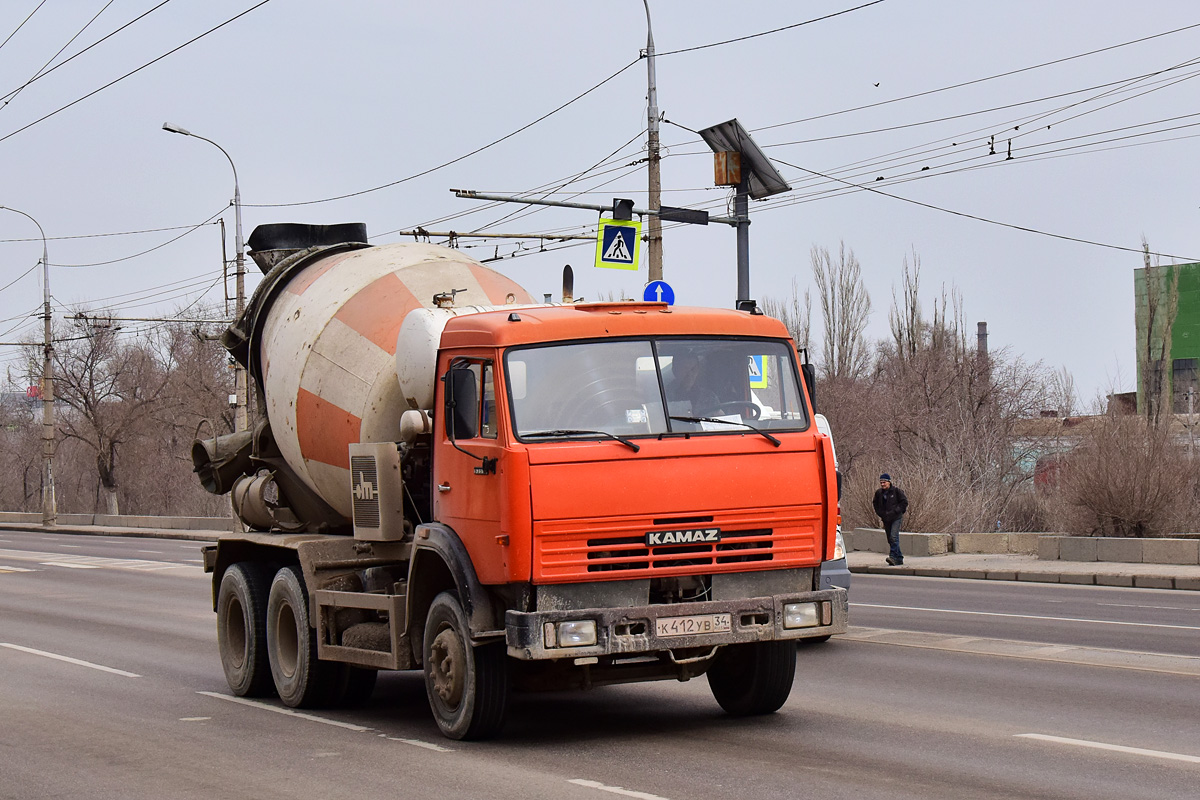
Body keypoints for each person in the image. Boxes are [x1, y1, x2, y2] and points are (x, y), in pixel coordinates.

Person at [873, 473, 908, 566]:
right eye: (881, 482)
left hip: (896, 517)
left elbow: (904, 502)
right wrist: (881, 513)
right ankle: (899, 558)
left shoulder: (896, 491)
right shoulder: (879, 493)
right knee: (890, 539)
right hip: (886, 518)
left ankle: (892, 556)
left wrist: (897, 511)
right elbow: (875, 504)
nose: (883, 484)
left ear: (889, 482)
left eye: (884, 482)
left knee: (893, 536)